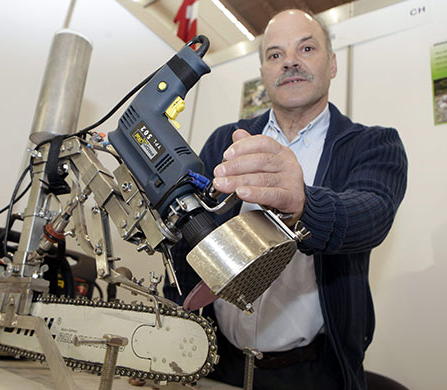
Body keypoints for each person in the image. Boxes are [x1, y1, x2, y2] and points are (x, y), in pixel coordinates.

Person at [165, 9, 408, 390]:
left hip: (314, 373)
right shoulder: (225, 140)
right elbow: (186, 239)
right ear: (263, 73)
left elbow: (371, 214)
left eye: (306, 48)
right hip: (216, 363)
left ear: (331, 64)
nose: (290, 61)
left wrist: (304, 205)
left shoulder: (374, 144)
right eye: (275, 54)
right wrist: (168, 337)